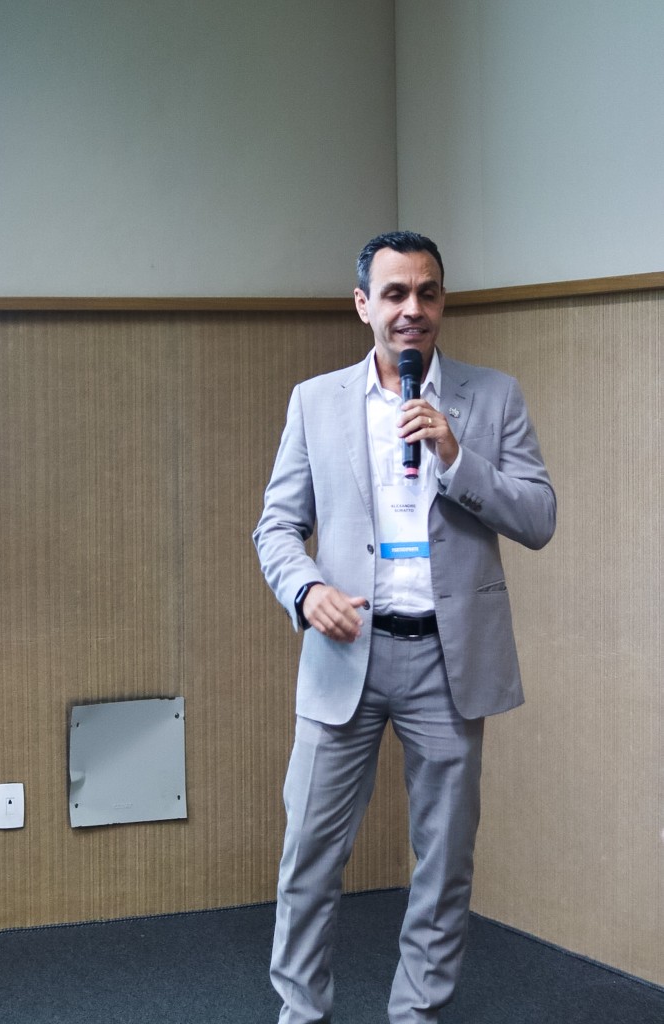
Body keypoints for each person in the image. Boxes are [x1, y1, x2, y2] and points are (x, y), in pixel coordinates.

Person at [253, 230, 556, 1024]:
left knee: (444, 864)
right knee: (308, 858)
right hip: (344, 653)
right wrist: (305, 589)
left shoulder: (493, 398)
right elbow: (276, 527)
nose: (411, 308)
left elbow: (537, 517)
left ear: (441, 301)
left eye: (426, 292)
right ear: (363, 305)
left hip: (448, 664)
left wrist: (456, 458)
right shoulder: (315, 401)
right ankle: (301, 1014)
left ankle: (416, 1015)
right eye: (393, 293)